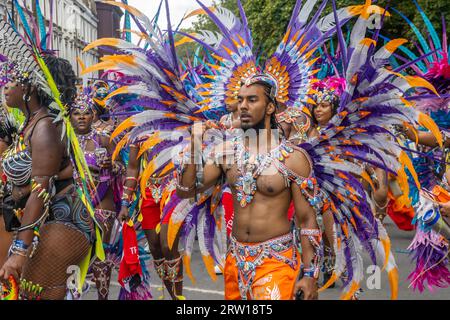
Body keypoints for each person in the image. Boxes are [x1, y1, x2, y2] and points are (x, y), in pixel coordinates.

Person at [177, 78, 322, 300]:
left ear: (270, 107)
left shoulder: (294, 158)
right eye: (240, 100)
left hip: (276, 261)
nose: (243, 106)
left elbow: (307, 221)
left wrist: (311, 274)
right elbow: (186, 190)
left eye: (252, 100)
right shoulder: (226, 153)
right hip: (235, 262)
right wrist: (195, 143)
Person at [0, 50, 96, 299]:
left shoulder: (45, 127)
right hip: (40, 222)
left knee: (34, 294)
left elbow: (41, 191)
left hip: (61, 223)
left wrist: (20, 251)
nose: (5, 86)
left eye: (12, 80)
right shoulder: (30, 123)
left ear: (30, 86)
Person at [69, 93, 123, 300]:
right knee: (73, 251)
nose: (81, 117)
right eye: (76, 113)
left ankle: (103, 297)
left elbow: (122, 167)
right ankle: (73, 294)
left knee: (102, 252)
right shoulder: (66, 141)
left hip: (102, 200)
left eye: (86, 113)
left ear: (93, 116)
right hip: (74, 202)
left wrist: (111, 165)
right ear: (70, 117)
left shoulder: (103, 139)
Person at [118, 145, 183, 300]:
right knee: (155, 248)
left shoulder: (178, 122)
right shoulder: (139, 131)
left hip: (171, 188)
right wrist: (125, 203)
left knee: (167, 245)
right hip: (148, 191)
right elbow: (133, 168)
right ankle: (175, 297)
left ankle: (179, 299)